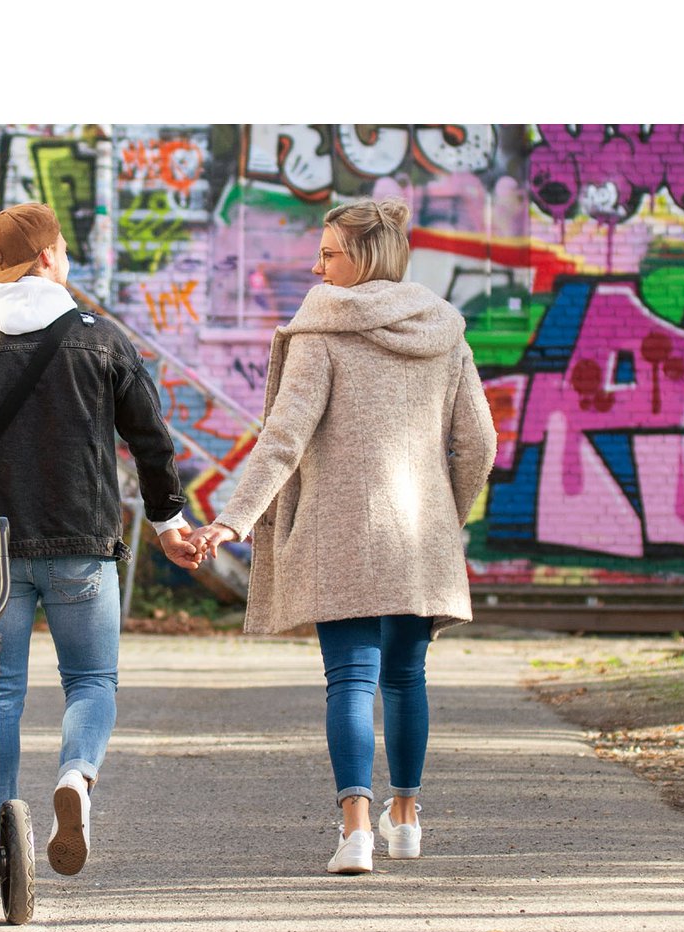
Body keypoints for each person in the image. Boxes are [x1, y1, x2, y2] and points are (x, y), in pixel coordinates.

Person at [0, 201, 201, 876]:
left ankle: (1, 830)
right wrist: (171, 523)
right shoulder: (100, 337)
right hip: (82, 543)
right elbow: (150, 439)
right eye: (60, 248)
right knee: (91, 680)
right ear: (48, 257)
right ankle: (76, 778)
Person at [195, 197, 497, 875]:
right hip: (423, 536)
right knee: (406, 676)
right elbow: (479, 442)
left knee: (350, 681)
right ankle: (408, 817)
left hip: (341, 535)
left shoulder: (323, 329)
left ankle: (356, 830)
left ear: (363, 257)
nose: (316, 264)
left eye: (328, 252)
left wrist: (232, 519)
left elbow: (284, 437)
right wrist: (447, 513)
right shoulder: (445, 332)